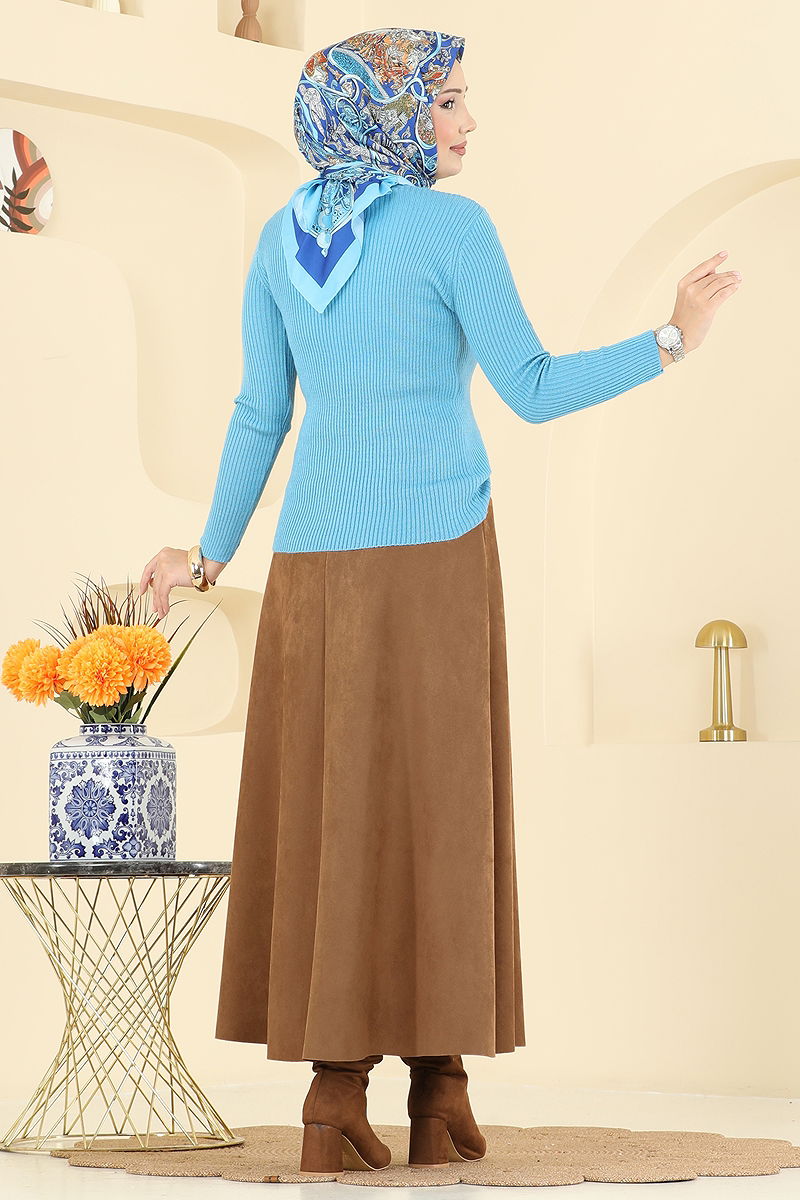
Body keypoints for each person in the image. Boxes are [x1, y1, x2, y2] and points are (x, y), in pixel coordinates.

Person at [138, 26, 742, 1177]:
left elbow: (261, 412)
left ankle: (342, 1094)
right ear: (389, 110)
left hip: (313, 566)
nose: (467, 121)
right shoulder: (451, 228)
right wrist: (673, 337)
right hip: (433, 552)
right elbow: (532, 388)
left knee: (337, 813)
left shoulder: (279, 238)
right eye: (448, 99)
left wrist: (206, 557)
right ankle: (433, 1088)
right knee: (438, 814)